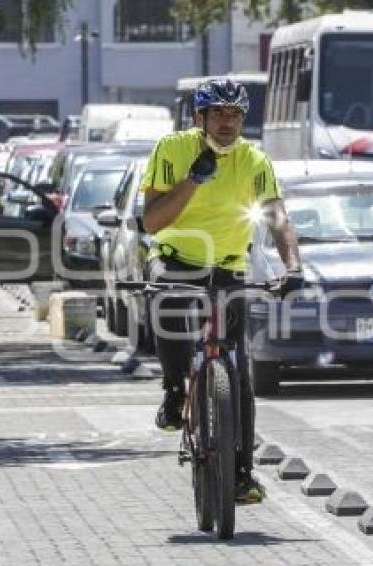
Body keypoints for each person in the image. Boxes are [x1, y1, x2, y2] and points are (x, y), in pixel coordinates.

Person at [141, 79, 304, 504]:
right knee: (166, 300)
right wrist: (194, 178)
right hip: (177, 258)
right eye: (218, 113)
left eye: (234, 114)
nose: (227, 122)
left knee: (239, 373)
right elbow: (153, 222)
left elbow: (278, 219)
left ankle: (242, 474)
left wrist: (293, 266)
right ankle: (175, 390)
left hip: (228, 266)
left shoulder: (255, 161)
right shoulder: (171, 149)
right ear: (200, 118)